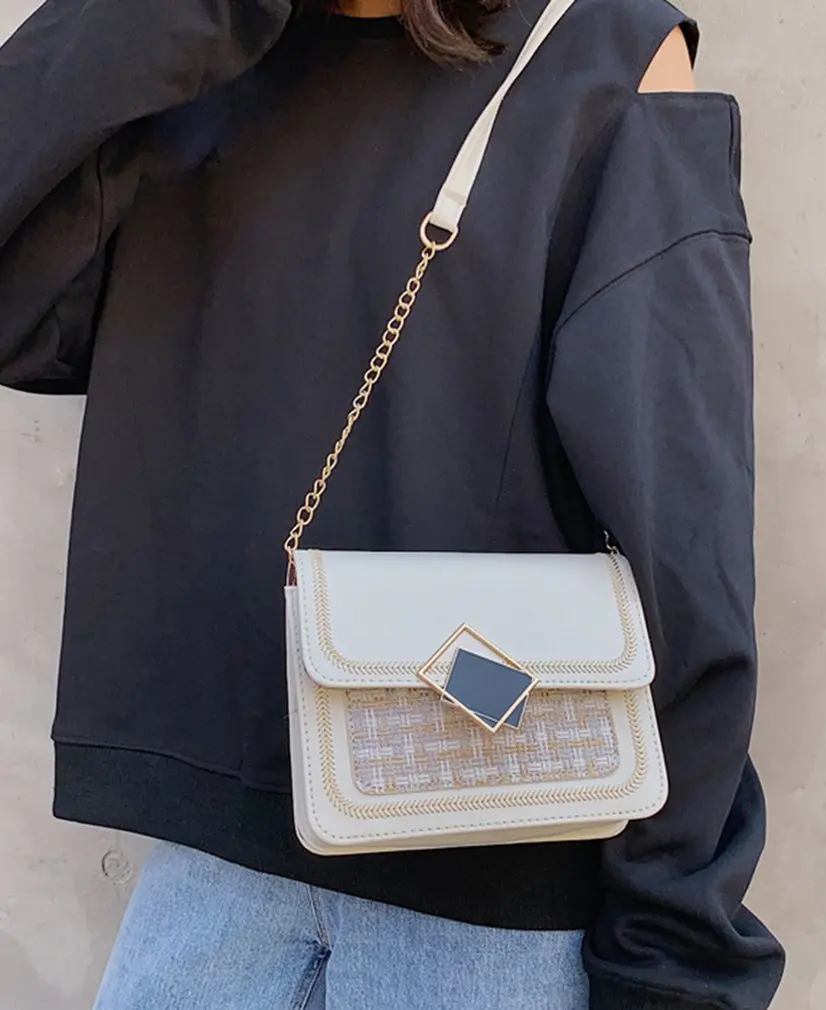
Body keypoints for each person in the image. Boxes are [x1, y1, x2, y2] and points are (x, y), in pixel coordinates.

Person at [0, 0, 785, 1007]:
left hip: (482, 893)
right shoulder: (191, 47)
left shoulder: (601, 49)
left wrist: (673, 949)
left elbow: (682, 527)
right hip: (208, 878)